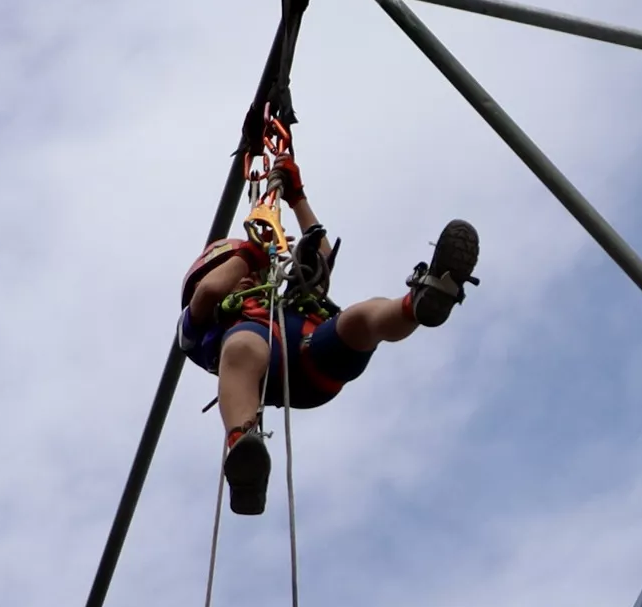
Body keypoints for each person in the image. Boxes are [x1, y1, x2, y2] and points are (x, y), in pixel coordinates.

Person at [181, 186, 479, 514]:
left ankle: (423, 299)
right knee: (242, 346)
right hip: (269, 370)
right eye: (231, 269)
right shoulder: (203, 322)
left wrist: (297, 198)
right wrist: (250, 253)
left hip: (313, 356)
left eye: (250, 271)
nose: (244, 276)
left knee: (361, 317)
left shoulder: (286, 302)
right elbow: (209, 291)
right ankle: (243, 449)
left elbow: (320, 254)